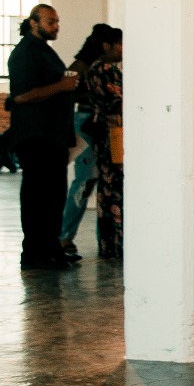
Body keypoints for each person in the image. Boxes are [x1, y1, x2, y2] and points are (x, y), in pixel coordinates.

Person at [8, 4, 83, 271]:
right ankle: (35, 254)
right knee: (38, 198)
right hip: (36, 136)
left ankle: (50, 249)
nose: (56, 26)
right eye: (51, 21)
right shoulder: (25, 53)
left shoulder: (43, 51)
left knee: (53, 196)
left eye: (57, 21)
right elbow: (21, 95)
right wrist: (61, 85)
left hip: (52, 135)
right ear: (33, 22)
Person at [59, 25, 115, 258]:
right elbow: (64, 88)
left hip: (92, 124)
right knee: (84, 182)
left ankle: (66, 236)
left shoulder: (98, 67)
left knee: (87, 182)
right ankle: (64, 236)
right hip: (84, 125)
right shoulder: (80, 67)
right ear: (105, 46)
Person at [83, 27, 124, 260]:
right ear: (107, 46)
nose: (122, 49)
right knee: (113, 188)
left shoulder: (101, 68)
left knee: (109, 189)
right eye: (119, 44)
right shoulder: (104, 70)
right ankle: (115, 243)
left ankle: (111, 244)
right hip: (113, 134)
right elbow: (118, 100)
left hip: (108, 134)